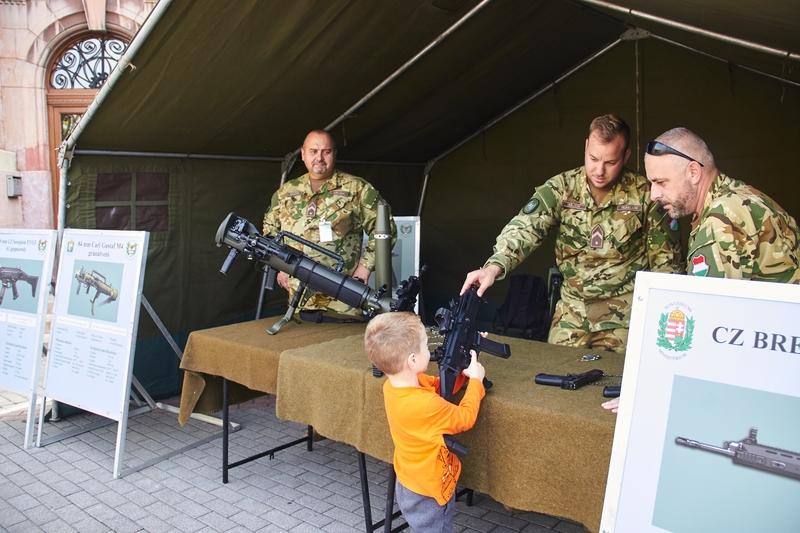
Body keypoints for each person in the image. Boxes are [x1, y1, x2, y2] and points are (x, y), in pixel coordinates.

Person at [602, 126, 800, 414]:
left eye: (661, 182)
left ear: (694, 173)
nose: (654, 194)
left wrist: (653, 391)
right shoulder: (739, 196)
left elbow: (711, 329)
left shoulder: (719, 222)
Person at [461, 114, 681, 353]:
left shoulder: (645, 195)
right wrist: (494, 267)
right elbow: (525, 228)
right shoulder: (562, 188)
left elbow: (666, 264)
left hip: (624, 320)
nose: (599, 170)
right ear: (586, 146)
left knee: (618, 384)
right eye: (593, 158)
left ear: (626, 156)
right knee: (555, 379)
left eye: (611, 162)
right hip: (571, 315)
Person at [364, 312, 486, 533]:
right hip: (430, 490)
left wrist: (464, 369)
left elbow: (441, 386)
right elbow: (465, 417)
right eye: (425, 346)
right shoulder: (426, 404)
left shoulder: (394, 386)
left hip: (410, 482)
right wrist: (476, 382)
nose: (429, 350)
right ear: (412, 360)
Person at [262, 129, 397, 316]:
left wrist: (365, 268)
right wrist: (281, 265)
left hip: (343, 297)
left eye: (326, 151)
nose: (319, 157)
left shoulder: (357, 188)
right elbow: (269, 231)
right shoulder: (286, 192)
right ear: (303, 154)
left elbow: (385, 229)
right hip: (298, 298)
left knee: (340, 344)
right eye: (313, 151)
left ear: (334, 154)